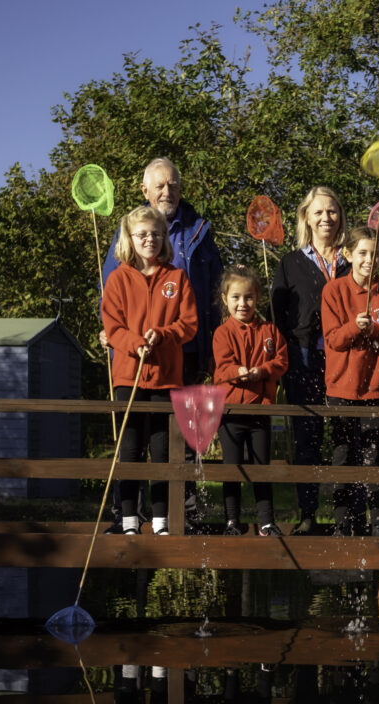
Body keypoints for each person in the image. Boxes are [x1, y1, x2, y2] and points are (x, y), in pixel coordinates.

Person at [102, 158, 224, 530]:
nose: (166, 191)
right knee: (131, 443)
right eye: (159, 186)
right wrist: (124, 340)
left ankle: (175, 514)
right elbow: (111, 308)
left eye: (172, 185)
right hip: (133, 364)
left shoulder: (200, 232)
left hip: (185, 358)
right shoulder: (126, 243)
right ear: (145, 191)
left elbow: (214, 297)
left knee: (179, 442)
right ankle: (127, 516)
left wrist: (213, 348)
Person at [101, 204, 197, 536]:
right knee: (129, 449)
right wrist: (133, 343)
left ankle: (160, 521)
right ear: (130, 238)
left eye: (156, 234)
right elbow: (112, 327)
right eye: (142, 234)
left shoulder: (176, 277)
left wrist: (164, 333)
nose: (149, 240)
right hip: (129, 374)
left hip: (166, 376)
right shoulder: (117, 279)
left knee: (162, 450)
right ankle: (128, 519)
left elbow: (189, 324)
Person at [321, 225, 379, 536]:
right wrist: (353, 327)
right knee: (343, 457)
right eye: (362, 253)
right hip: (341, 387)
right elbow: (333, 339)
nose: (368, 260)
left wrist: (375, 331)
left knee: (376, 458)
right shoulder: (334, 290)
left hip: (375, 390)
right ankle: (343, 522)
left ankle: (377, 522)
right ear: (348, 254)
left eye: (374, 254)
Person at [272, 186, 350, 535]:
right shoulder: (290, 263)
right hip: (303, 357)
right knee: (308, 437)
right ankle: (307, 513)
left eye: (331, 211)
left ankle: (346, 515)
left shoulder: (353, 259)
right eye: (318, 212)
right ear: (306, 216)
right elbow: (278, 317)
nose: (325, 218)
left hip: (347, 359)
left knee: (346, 435)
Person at [212, 265, 289, 537]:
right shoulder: (222, 333)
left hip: (260, 411)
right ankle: (232, 521)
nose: (242, 304)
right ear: (225, 299)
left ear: (257, 298)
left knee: (261, 467)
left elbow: (281, 361)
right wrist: (237, 372)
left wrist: (263, 371)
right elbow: (221, 369)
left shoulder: (269, 330)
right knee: (231, 469)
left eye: (248, 298)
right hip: (231, 413)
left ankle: (266, 522)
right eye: (236, 298)